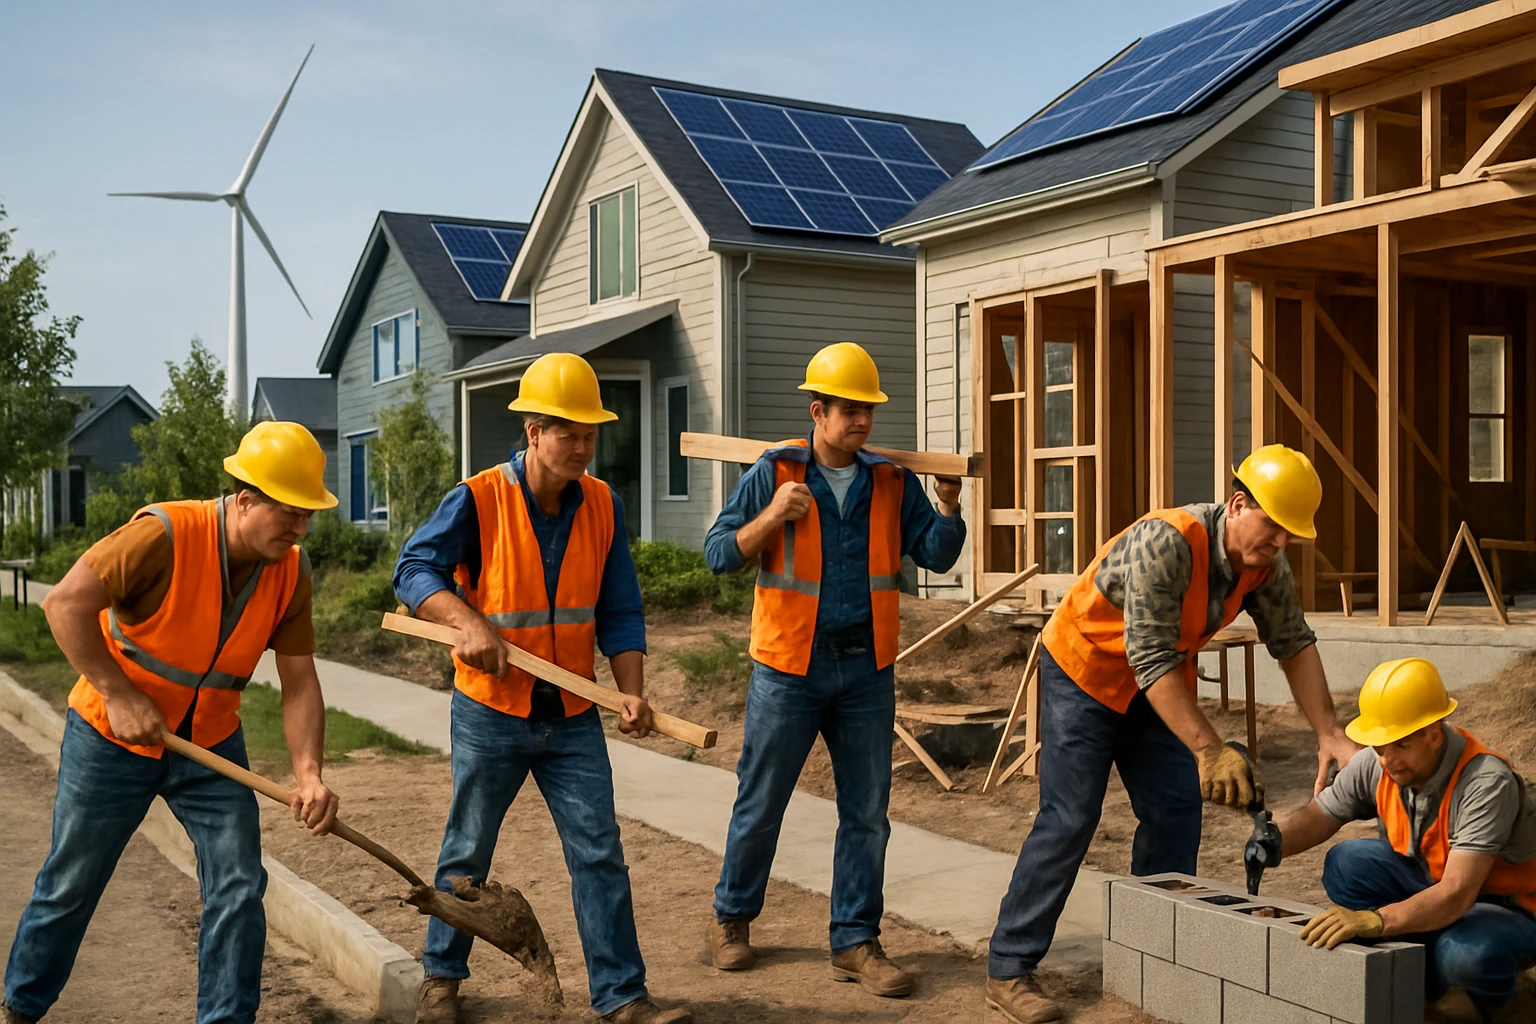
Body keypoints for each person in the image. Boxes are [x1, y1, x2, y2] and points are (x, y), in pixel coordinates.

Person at [985, 445, 1360, 1023]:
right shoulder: (1171, 540)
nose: (1281, 543)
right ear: (1238, 505)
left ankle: (1151, 950)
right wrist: (1210, 750)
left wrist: (1329, 732)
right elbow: (1150, 656)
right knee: (1070, 816)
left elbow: (1293, 642)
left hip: (1153, 685)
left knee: (1177, 809)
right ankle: (1009, 969)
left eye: (1291, 534)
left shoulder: (1264, 563)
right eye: (1274, 527)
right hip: (1084, 671)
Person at [3, 422, 341, 1024]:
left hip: (210, 743)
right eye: (289, 513)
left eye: (307, 516)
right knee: (71, 882)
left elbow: (300, 682)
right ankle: (20, 1008)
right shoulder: (163, 534)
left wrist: (309, 773)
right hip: (110, 738)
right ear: (244, 501)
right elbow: (65, 604)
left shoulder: (292, 570)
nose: (300, 529)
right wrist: (118, 692)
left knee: (238, 886)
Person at [393, 352, 688, 1024]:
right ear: (532, 431)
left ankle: (621, 996)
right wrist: (465, 620)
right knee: (467, 849)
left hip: (573, 711)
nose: (583, 446)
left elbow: (620, 612)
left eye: (590, 433)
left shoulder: (604, 505)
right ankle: (441, 979)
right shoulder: (477, 498)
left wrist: (631, 691)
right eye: (568, 433)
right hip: (491, 709)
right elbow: (413, 571)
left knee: (600, 853)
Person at [702, 341, 966, 998]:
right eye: (850, 410)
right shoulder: (774, 473)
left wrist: (950, 509)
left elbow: (933, 556)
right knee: (761, 804)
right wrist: (771, 516)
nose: (863, 423)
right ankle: (732, 919)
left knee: (867, 814)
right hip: (789, 669)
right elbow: (715, 555)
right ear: (817, 412)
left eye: (868, 411)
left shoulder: (890, 481)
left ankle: (855, 940)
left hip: (866, 670)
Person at [1272, 658, 1536, 1023]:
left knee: (1466, 955)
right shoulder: (1378, 761)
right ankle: (1425, 979)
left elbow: (1458, 891)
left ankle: (1509, 1000)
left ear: (1434, 732)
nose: (1388, 760)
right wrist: (1270, 842)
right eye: (1379, 747)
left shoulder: (1485, 782)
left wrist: (1376, 920)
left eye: (1401, 745)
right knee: (1347, 863)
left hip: (1505, 907)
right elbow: (1318, 816)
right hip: (1432, 886)